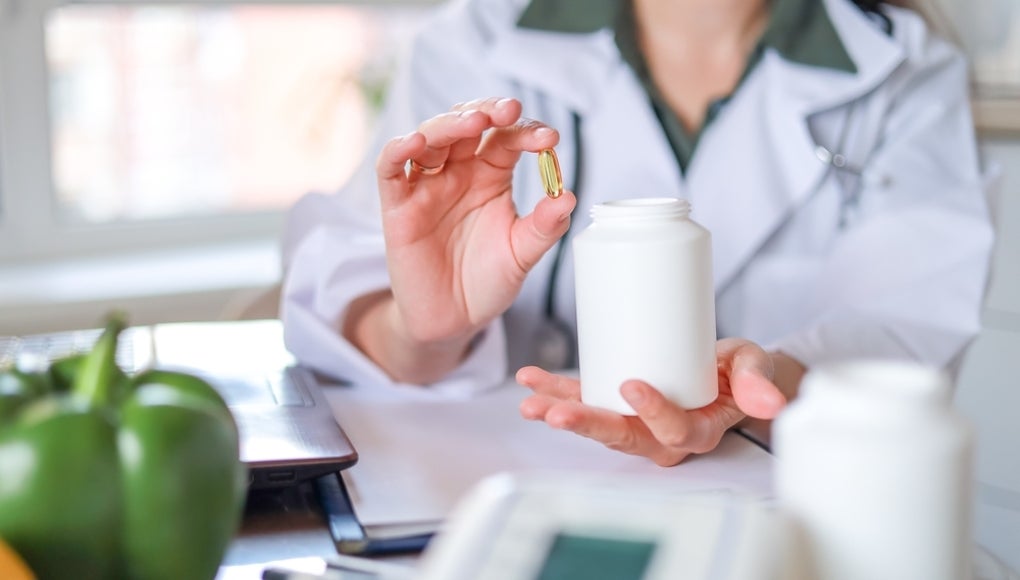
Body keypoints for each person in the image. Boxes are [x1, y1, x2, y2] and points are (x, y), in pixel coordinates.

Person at [280, 0, 994, 466]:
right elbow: (349, 290)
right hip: (499, 502)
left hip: (785, 520)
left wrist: (762, 382)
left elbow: (902, 331)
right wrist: (422, 327)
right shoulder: (473, 45)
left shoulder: (903, 69)